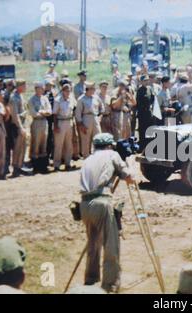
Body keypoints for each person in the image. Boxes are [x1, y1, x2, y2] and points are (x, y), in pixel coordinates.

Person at [79, 133, 135, 293]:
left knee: (93, 243)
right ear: (110, 145)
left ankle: (90, 280)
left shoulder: (88, 159)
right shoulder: (112, 155)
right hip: (102, 202)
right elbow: (130, 177)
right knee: (111, 245)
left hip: (84, 204)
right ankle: (110, 285)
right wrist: (128, 163)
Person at [28, 82, 52, 173]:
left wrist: (43, 112)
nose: (41, 90)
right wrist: (43, 112)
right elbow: (34, 113)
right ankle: (35, 165)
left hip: (44, 122)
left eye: (42, 88)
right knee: (36, 143)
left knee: (44, 143)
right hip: (37, 122)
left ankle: (43, 166)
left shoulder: (45, 98)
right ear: (36, 89)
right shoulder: (32, 100)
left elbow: (49, 111)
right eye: (39, 88)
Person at [75, 82, 103, 158]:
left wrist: (100, 116)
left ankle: (97, 156)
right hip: (85, 118)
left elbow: (101, 108)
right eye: (92, 89)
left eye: (94, 89)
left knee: (98, 137)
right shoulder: (81, 99)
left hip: (95, 118)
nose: (93, 90)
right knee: (85, 140)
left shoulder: (96, 97)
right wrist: (81, 124)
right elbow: (78, 113)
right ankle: (86, 158)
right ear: (87, 89)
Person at [53, 84, 76, 171]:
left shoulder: (71, 99)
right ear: (62, 91)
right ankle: (56, 164)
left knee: (69, 144)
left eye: (69, 90)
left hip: (69, 121)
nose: (68, 92)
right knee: (59, 144)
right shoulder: (58, 100)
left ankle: (68, 163)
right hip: (60, 122)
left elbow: (73, 110)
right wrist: (55, 126)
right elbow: (54, 114)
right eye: (66, 90)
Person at [9, 79, 28, 177]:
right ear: (19, 86)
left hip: (23, 124)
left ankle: (20, 166)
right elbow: (15, 114)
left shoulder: (20, 96)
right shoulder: (14, 98)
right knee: (17, 148)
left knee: (23, 147)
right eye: (24, 85)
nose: (26, 87)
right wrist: (20, 127)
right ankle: (15, 168)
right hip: (17, 126)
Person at [136, 75, 156, 149]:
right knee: (142, 130)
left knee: (150, 129)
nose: (146, 82)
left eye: (147, 80)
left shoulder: (150, 89)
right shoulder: (139, 90)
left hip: (149, 112)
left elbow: (153, 99)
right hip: (142, 113)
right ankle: (142, 146)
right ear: (141, 82)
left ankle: (150, 145)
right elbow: (138, 103)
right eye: (144, 80)